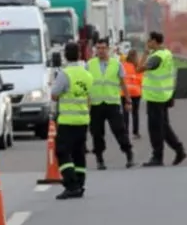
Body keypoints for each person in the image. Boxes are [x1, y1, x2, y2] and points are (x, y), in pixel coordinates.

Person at [49, 41, 93, 199]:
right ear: (79, 55)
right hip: (83, 119)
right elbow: (89, 97)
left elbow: (54, 94)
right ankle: (80, 183)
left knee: (62, 152)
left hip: (67, 120)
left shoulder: (64, 74)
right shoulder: (87, 75)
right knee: (79, 153)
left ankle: (71, 184)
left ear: (65, 55)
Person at [138, 32, 187, 167]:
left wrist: (145, 53)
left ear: (154, 41)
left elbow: (139, 69)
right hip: (164, 94)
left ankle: (157, 156)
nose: (147, 43)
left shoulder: (156, 57)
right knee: (163, 127)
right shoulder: (167, 54)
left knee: (155, 128)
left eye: (149, 41)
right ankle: (179, 150)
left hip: (156, 97)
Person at [85, 38, 135, 169]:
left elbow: (123, 83)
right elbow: (85, 85)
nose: (100, 51)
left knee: (119, 130)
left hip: (112, 102)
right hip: (96, 104)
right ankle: (99, 159)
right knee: (96, 133)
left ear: (108, 49)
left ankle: (129, 154)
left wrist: (128, 100)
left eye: (103, 48)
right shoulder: (90, 64)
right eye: (98, 48)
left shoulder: (116, 64)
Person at [121, 49, 143, 139]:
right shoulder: (138, 67)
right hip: (136, 92)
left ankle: (125, 132)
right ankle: (136, 132)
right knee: (135, 113)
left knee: (125, 113)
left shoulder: (123, 65)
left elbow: (120, 78)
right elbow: (141, 80)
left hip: (125, 92)